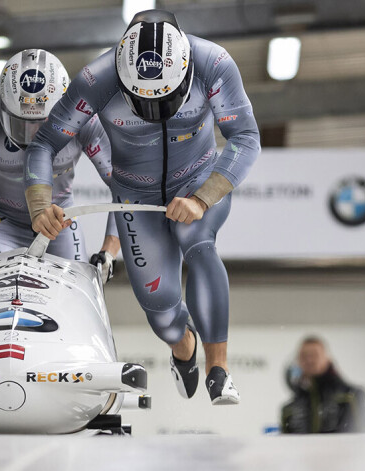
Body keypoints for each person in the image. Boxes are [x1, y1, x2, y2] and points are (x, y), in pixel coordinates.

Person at [24, 10, 260, 404]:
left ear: (185, 73)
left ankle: (218, 369)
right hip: (135, 195)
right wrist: (39, 203)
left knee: (198, 242)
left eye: (166, 98)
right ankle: (183, 347)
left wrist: (205, 197)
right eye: (143, 101)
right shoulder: (95, 80)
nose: (156, 111)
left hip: (197, 180)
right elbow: (46, 142)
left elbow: (245, 136)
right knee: (161, 309)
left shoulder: (213, 63)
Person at [0, 49, 119, 273]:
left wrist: (108, 253)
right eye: (21, 125)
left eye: (43, 125)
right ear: (1, 106)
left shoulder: (86, 118)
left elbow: (124, 186)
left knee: (73, 292)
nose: (33, 135)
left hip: (58, 219)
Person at [281, 336, 365, 433]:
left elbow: (359, 440)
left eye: (314, 355)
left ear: (327, 358)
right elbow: (286, 445)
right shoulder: (289, 409)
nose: (309, 360)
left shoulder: (352, 397)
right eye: (304, 356)